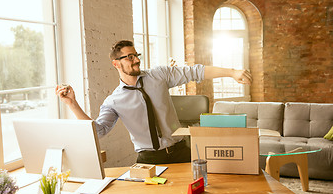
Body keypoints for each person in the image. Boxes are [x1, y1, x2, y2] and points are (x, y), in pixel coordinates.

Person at [56, 40, 252, 164]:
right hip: (148, 159)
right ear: (116, 63)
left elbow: (196, 71)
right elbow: (98, 131)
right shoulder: (114, 101)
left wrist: (232, 72)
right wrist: (72, 104)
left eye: (136, 55)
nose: (136, 60)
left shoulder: (159, 76)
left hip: (180, 151)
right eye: (129, 57)